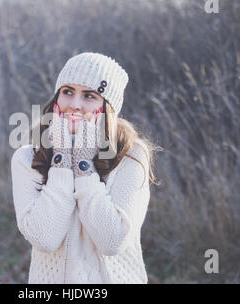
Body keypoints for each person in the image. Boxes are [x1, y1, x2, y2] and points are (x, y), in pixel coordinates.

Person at [11, 52, 158, 283]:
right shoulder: (27, 157)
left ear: (107, 107)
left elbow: (113, 242)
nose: (75, 105)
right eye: (67, 92)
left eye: (89, 96)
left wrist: (84, 166)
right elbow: (45, 238)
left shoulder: (131, 157)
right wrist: (61, 159)